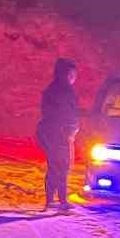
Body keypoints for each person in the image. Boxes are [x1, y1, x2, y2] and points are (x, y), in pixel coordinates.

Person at [36, 58, 80, 210]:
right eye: (73, 73)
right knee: (62, 166)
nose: (75, 76)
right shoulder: (65, 91)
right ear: (67, 74)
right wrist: (70, 128)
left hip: (49, 132)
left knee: (54, 166)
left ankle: (51, 200)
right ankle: (61, 201)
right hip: (60, 134)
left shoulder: (52, 89)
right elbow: (68, 113)